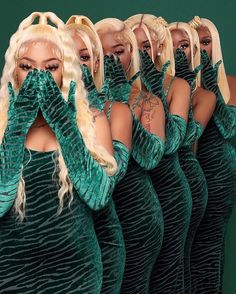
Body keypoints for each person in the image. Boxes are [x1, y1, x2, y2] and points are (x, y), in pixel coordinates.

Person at [0, 11, 118, 293]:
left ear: (64, 71)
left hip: (76, 274)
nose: (38, 77)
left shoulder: (94, 121)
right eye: (27, 67)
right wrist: (16, 128)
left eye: (50, 67)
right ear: (14, 72)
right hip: (10, 272)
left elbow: (100, 197)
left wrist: (64, 125)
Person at [95, 17, 165, 293]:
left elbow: (151, 158)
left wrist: (123, 99)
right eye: (103, 53)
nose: (111, 59)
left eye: (119, 51)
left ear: (131, 55)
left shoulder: (149, 102)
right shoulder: (79, 103)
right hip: (98, 217)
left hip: (137, 213)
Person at [125, 14, 192, 294]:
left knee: (166, 276)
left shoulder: (177, 86)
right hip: (132, 196)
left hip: (170, 191)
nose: (141, 52)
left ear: (158, 49)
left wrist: (151, 87)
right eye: (134, 45)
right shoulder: (116, 89)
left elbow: (172, 142)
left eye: (147, 45)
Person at [65, 15, 126, 294]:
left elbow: (111, 180)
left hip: (100, 239)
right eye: (68, 58)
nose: (77, 67)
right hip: (55, 240)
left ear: (98, 63)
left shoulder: (115, 112)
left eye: (85, 58)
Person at [188, 16, 236, 293]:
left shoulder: (230, 83)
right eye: (194, 44)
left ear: (214, 44)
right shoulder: (183, 89)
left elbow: (227, 126)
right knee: (184, 249)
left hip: (219, 174)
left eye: (205, 42)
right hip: (190, 172)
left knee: (210, 246)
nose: (200, 49)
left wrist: (212, 82)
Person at [169, 21, 216, 293]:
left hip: (189, 179)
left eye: (185, 46)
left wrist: (188, 83)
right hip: (160, 184)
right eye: (173, 46)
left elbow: (183, 138)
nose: (178, 53)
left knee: (189, 262)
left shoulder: (204, 94)